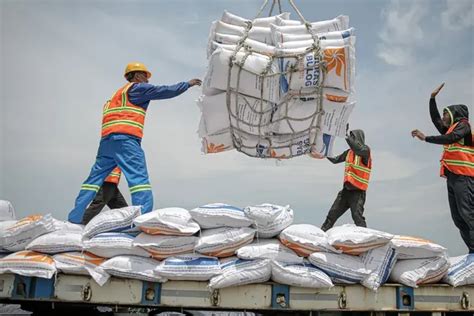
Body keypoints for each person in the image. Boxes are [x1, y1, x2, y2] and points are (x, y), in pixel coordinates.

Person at [68, 62, 202, 224]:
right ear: (137, 75)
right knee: (138, 179)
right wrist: (186, 85)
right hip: (126, 141)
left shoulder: (116, 96)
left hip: (106, 143)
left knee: (92, 181)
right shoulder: (137, 88)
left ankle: (74, 219)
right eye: (145, 75)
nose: (147, 79)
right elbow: (164, 91)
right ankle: (142, 220)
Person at [411, 83, 473, 253]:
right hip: (453, 177)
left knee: (468, 214)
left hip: (465, 176)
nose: (444, 116)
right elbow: (436, 120)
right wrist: (432, 99)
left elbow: (452, 137)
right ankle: (472, 252)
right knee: (458, 218)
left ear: (455, 114)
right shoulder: (451, 128)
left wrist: (426, 138)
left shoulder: (464, 125)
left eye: (446, 113)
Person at [320, 129, 372, 231]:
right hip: (346, 192)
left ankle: (366, 239)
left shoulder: (365, 151)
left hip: (357, 192)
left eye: (353, 137)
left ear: (358, 138)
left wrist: (346, 136)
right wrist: (324, 152)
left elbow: (358, 149)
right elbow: (335, 160)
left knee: (357, 217)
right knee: (332, 215)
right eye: (351, 137)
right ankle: (321, 235)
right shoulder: (349, 152)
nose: (351, 139)